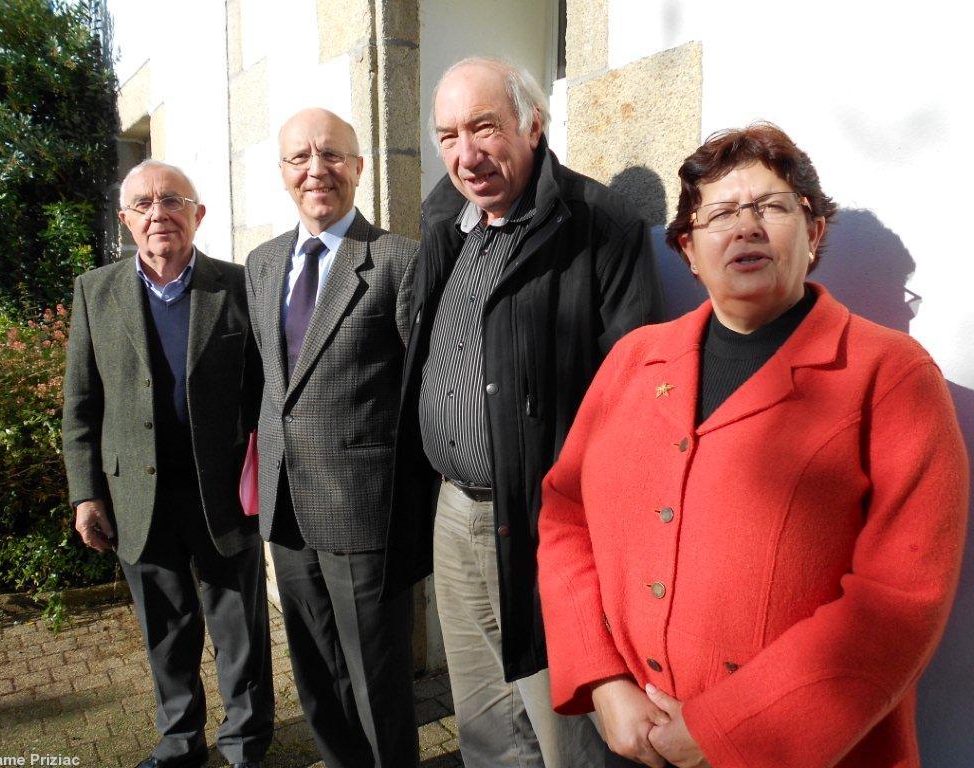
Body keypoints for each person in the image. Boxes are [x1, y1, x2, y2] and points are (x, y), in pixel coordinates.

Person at [537, 123, 969, 768]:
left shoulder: (892, 376)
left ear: (814, 230)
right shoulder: (633, 360)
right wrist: (603, 682)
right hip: (636, 740)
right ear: (687, 248)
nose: (746, 228)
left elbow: (898, 601)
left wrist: (729, 730)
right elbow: (565, 517)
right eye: (720, 213)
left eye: (771, 206)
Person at [381, 57, 665, 767]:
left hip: (544, 527)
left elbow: (630, 399)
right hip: (453, 513)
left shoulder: (600, 225)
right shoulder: (447, 216)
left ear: (533, 124)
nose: (465, 156)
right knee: (482, 721)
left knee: (565, 727)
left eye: (483, 128)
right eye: (447, 135)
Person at [62, 160, 273, 768]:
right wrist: (87, 494)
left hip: (222, 491)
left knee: (239, 627)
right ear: (126, 220)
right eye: (144, 203)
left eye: (173, 200)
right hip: (136, 495)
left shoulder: (236, 286)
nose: (160, 213)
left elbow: (265, 392)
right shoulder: (94, 292)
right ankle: (180, 739)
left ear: (198, 214)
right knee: (166, 629)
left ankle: (244, 742)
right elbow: (80, 405)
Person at [244, 108, 419, 768]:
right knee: (315, 673)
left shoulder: (397, 260)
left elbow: (420, 389)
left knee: (376, 676)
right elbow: (268, 381)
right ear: (283, 172)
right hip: (286, 504)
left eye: (332, 155)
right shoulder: (261, 264)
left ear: (358, 167)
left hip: (363, 510)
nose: (316, 169)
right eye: (299, 157)